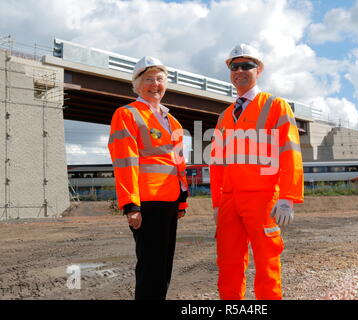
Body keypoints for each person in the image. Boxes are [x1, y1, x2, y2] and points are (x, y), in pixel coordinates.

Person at [209, 44, 304, 300]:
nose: (239, 70)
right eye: (234, 66)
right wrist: (217, 203)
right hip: (229, 199)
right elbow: (217, 163)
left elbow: (290, 152)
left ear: (259, 69)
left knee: (266, 263)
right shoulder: (225, 116)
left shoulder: (275, 106)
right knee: (228, 263)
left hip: (262, 199)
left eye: (246, 65)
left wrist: (287, 197)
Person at [108, 56, 188, 300]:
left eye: (160, 79)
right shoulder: (127, 114)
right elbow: (125, 161)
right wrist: (131, 205)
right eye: (149, 79)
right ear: (137, 85)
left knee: (163, 267)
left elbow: (179, 164)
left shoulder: (171, 120)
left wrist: (182, 201)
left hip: (170, 201)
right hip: (147, 203)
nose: (155, 84)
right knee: (151, 268)